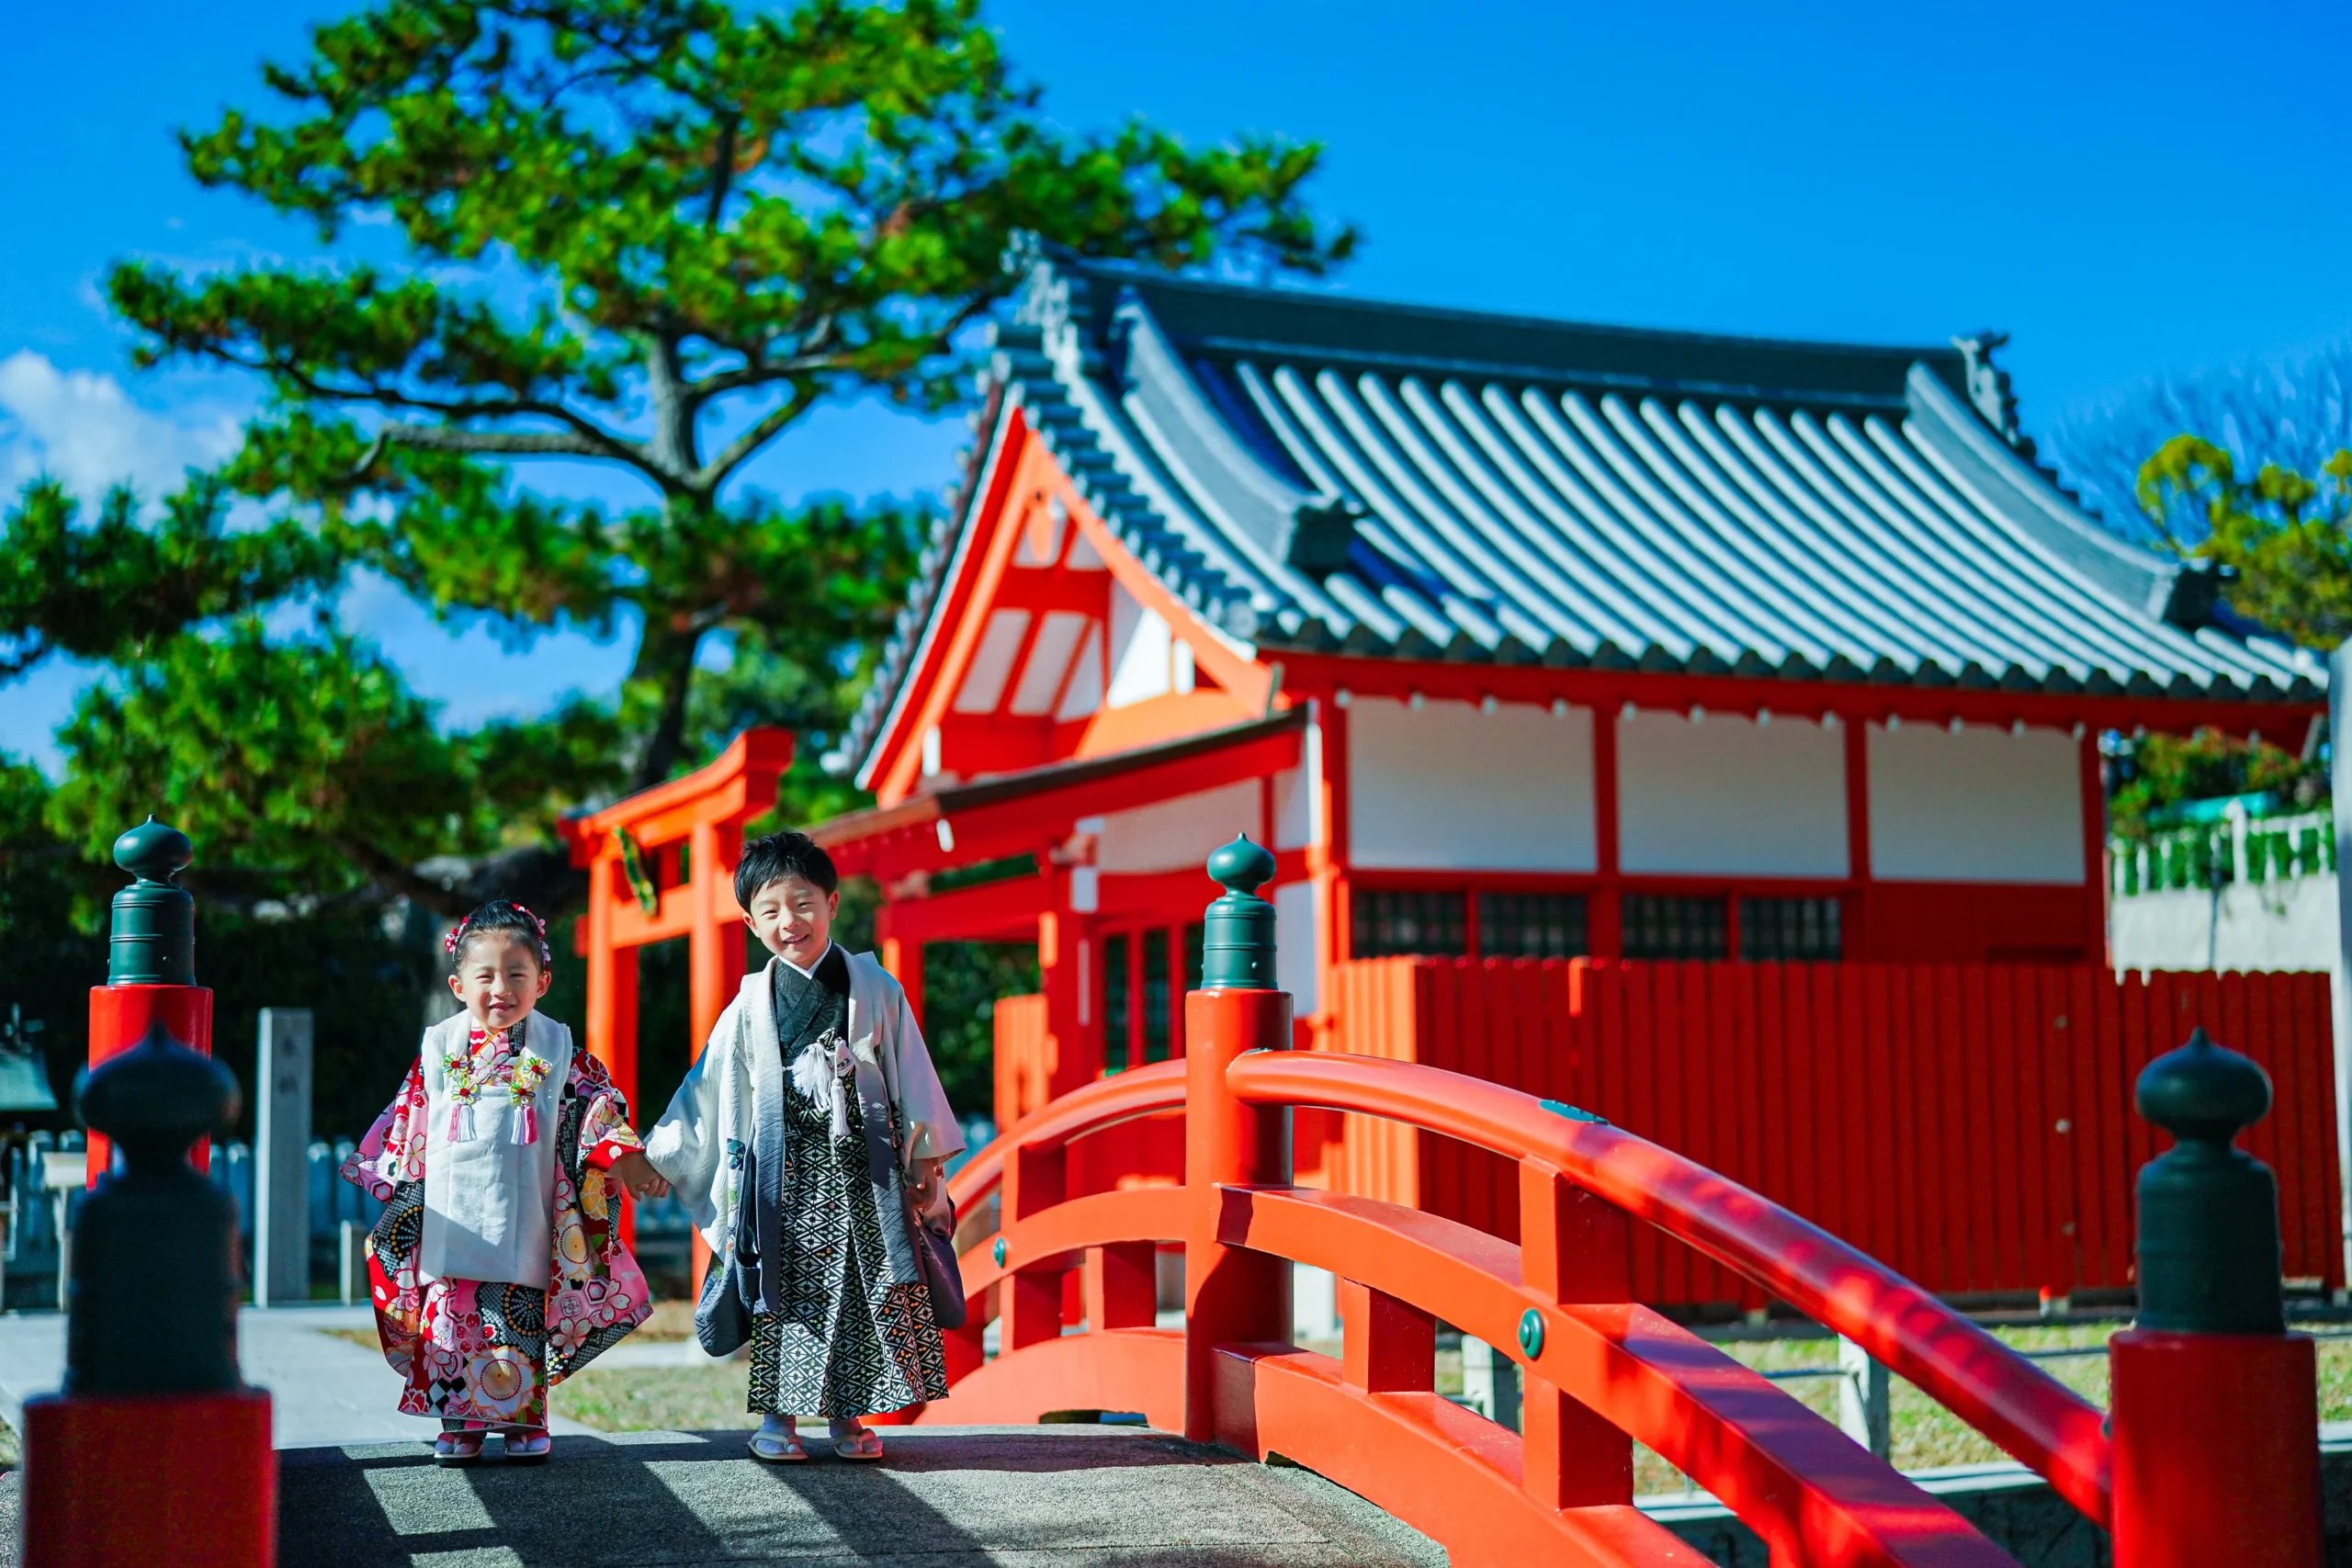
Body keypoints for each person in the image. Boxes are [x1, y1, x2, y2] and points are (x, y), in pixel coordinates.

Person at [645, 831, 962, 1463]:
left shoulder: (875, 987)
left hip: (864, 1175)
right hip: (780, 1176)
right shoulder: (748, 1003)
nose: (790, 921)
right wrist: (661, 1154)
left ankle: (849, 1420)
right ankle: (777, 1420)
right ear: (751, 921)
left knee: (860, 1296)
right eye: (772, 909)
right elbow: (707, 1085)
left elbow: (913, 1072)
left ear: (833, 901)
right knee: (782, 1296)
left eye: (804, 902)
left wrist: (925, 1159)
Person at [340, 899, 669, 1464]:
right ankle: (458, 1422)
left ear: (542, 981)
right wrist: (395, 1184)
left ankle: (524, 1420)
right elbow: (408, 1121)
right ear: (458, 983)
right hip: (451, 1213)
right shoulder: (439, 1049)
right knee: (452, 1319)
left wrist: (622, 1154)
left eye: (517, 974)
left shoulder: (557, 1048)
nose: (501, 988)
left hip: (528, 1213)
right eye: (485, 975)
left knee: (516, 1318)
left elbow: (594, 1106)